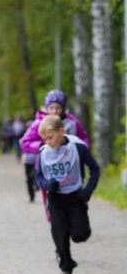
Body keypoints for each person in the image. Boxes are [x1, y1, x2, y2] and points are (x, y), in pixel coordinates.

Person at [34, 115, 99, 274]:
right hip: (56, 198)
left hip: (76, 196)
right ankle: (66, 264)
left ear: (61, 131)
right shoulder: (43, 153)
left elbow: (95, 169)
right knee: (59, 235)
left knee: (80, 235)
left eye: (51, 137)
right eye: (44, 139)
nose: (48, 142)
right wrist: (47, 184)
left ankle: (75, 227)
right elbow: (38, 177)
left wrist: (87, 191)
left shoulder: (78, 148)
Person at [21, 89, 90, 218]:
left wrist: (81, 150)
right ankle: (53, 217)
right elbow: (25, 142)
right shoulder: (39, 123)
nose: (54, 111)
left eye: (58, 107)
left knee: (73, 195)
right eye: (51, 107)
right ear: (46, 107)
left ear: (63, 108)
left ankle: (73, 218)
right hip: (48, 167)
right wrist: (42, 145)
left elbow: (84, 139)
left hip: (71, 167)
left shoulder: (72, 122)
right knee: (52, 198)